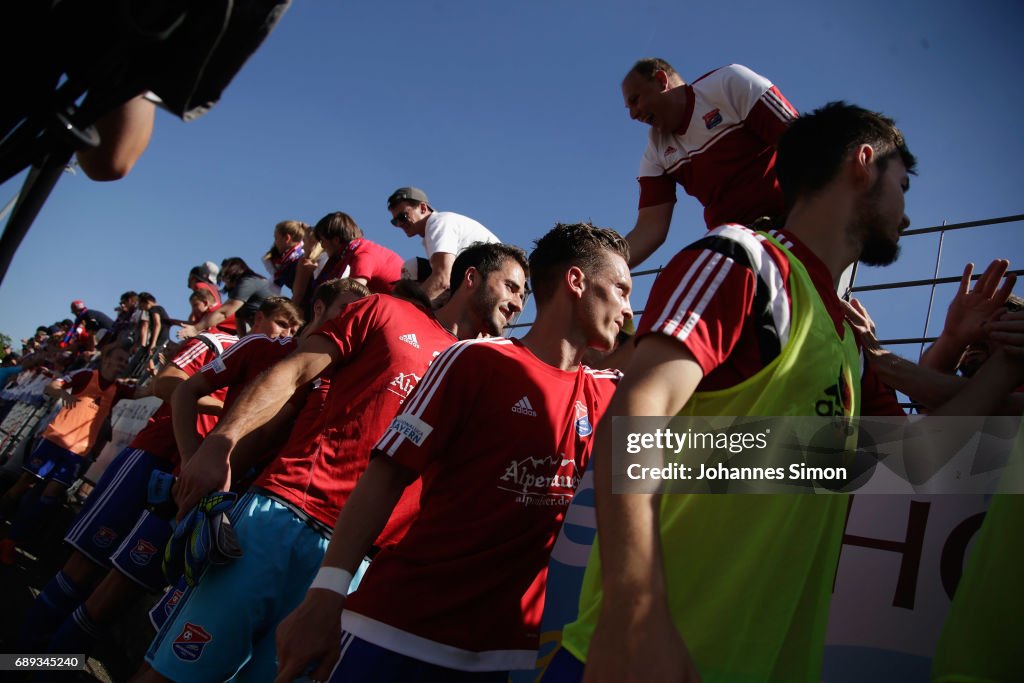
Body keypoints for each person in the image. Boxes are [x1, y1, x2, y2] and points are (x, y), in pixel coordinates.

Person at [545, 102, 1024, 683]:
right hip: (638, 658)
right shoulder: (742, 260)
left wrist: (1000, 363)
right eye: (902, 186)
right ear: (863, 165)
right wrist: (636, 614)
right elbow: (635, 415)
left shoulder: (846, 336)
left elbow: (917, 465)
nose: (906, 215)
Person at [140, 244, 529, 683]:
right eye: (512, 286)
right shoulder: (385, 311)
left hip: (360, 562)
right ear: (472, 277)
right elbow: (295, 371)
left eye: (525, 294)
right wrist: (221, 442)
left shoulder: (487, 370)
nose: (518, 302)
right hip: (286, 515)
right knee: (176, 673)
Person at [272, 222, 632, 682]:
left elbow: (736, 461)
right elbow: (384, 477)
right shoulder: (474, 361)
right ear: (576, 282)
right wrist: (326, 593)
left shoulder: (613, 398)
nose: (626, 306)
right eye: (620, 288)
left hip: (512, 655)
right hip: (395, 631)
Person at [13, 327, 240, 658]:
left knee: (109, 592)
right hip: (137, 453)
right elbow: (168, 384)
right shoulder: (226, 342)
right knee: (79, 556)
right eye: (117, 358)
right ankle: (23, 658)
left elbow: (149, 388)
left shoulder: (283, 361)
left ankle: (44, 665)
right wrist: (226, 408)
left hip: (184, 480)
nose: (287, 332)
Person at [619, 58, 798, 267]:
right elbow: (649, 229)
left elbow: (802, 145)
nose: (632, 115)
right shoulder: (655, 152)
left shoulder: (729, 84)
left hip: (790, 225)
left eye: (635, 100)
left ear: (661, 80)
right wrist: (597, 268)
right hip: (733, 250)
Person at [0, 344, 133, 564]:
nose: (123, 364)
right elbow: (51, 387)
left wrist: (157, 373)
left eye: (126, 361)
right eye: (120, 358)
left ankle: (11, 541)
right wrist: (63, 393)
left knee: (49, 496)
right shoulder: (85, 375)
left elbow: (147, 392)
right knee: (24, 483)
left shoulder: (119, 389)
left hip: (77, 452)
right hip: (54, 441)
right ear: (107, 359)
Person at [387, 186, 501, 303]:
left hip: (495, 290)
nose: (400, 224)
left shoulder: (438, 223)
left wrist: (405, 309)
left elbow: (442, 279)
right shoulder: (435, 228)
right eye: (394, 221)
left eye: (403, 217)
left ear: (422, 208)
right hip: (496, 288)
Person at [306, 211, 404, 303]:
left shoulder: (362, 255)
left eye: (323, 241)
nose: (322, 246)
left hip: (402, 308)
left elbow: (353, 296)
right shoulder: (361, 248)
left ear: (335, 240)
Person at [181, 257, 273, 338]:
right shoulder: (238, 291)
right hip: (260, 330)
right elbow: (239, 319)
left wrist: (195, 329)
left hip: (272, 331)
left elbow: (223, 313)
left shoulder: (247, 283)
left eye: (224, 276)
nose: (223, 281)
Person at [263, 219, 310, 295]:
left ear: (287, 238)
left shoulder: (297, 260)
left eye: (276, 238)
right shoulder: (291, 260)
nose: (275, 242)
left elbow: (299, 293)